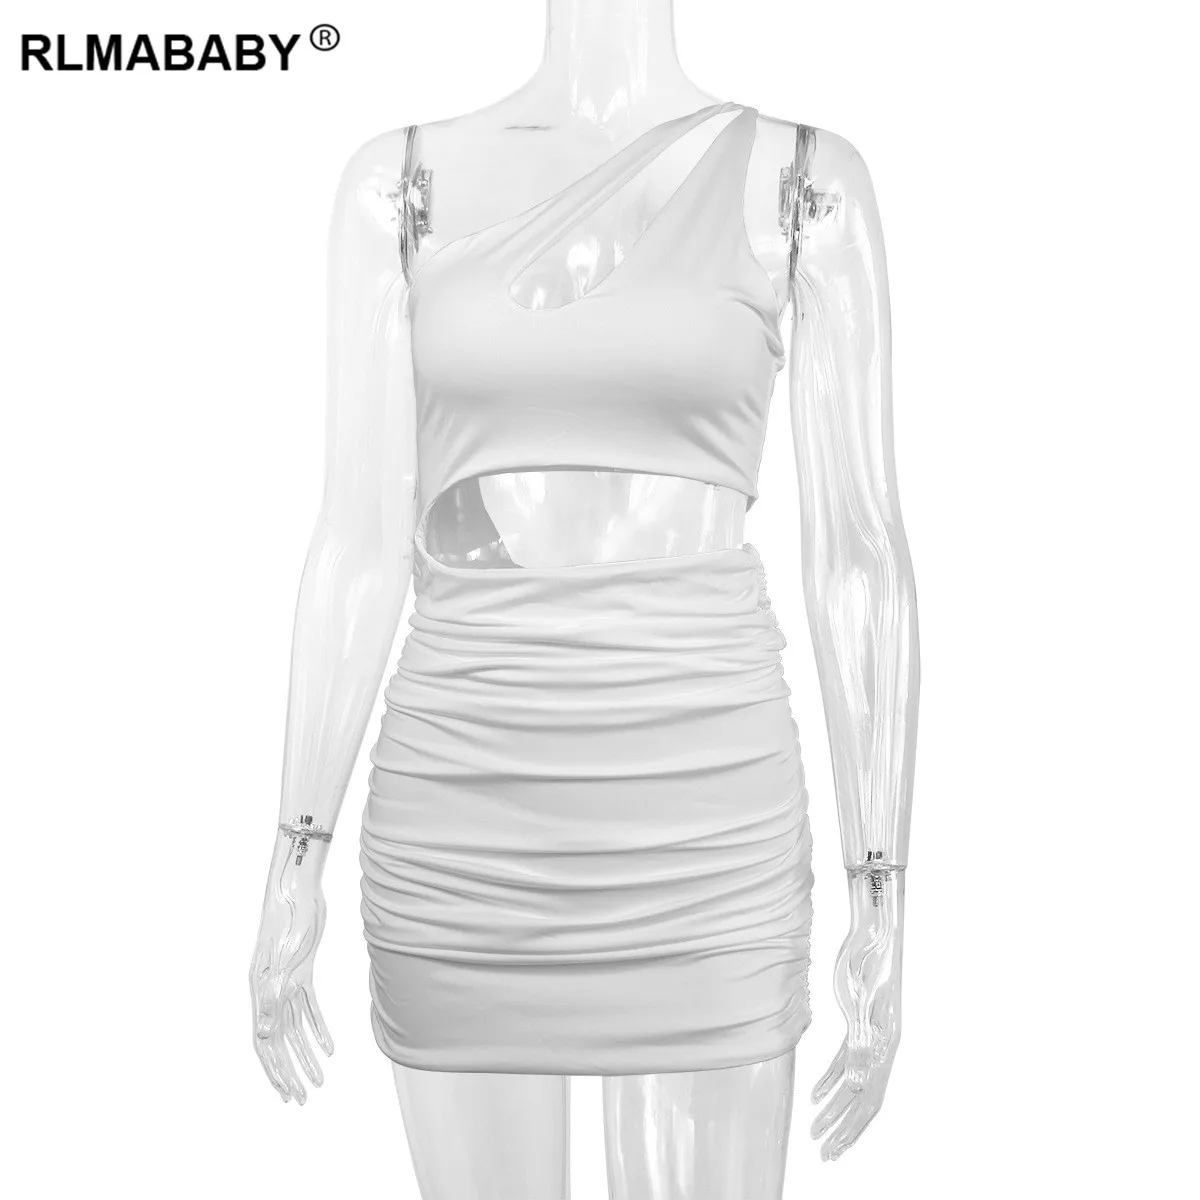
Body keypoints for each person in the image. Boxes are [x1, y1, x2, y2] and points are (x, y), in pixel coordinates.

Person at [249, 1, 919, 1191]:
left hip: (705, 826)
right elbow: (355, 543)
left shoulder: (804, 185)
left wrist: (884, 891)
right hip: (466, 814)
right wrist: (294, 854)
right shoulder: (401, 188)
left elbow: (859, 554)